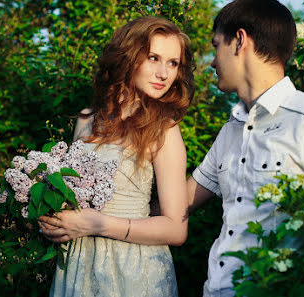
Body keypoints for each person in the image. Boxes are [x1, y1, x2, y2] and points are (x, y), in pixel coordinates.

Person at [186, 0, 304, 296]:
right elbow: (180, 203)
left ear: (239, 40)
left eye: (216, 44)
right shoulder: (230, 130)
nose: (212, 60)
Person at [38, 16, 194, 297]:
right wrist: (52, 217)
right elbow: (74, 195)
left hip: (133, 268)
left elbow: (175, 229)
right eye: (153, 58)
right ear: (128, 57)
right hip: (79, 262)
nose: (164, 73)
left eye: (173, 63)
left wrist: (96, 224)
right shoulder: (87, 119)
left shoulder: (165, 129)